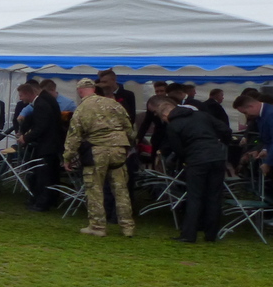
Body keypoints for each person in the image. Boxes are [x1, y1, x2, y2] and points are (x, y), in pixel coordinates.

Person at [149, 95, 230, 243]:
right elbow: (225, 129)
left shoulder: (173, 126)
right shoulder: (202, 115)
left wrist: (187, 157)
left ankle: (189, 234)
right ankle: (211, 234)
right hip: (217, 157)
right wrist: (219, 143)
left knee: (194, 197)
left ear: (165, 115)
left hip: (196, 160)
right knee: (214, 196)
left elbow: (178, 149)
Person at [64, 77, 136, 237]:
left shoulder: (82, 108)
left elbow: (74, 136)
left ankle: (97, 227)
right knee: (121, 189)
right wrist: (127, 146)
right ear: (94, 89)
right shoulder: (113, 104)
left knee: (95, 189)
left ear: (80, 91)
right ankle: (127, 226)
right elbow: (129, 127)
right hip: (118, 149)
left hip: (97, 150)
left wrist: (68, 157)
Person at [16, 82, 64, 211]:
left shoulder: (40, 104)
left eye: (21, 95)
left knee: (44, 175)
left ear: (28, 93)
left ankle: (42, 203)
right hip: (53, 143)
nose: (20, 98)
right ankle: (50, 199)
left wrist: (26, 137)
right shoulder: (44, 101)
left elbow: (41, 127)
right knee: (50, 174)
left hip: (48, 144)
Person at [232, 93, 273, 177]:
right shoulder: (261, 116)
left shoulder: (270, 114)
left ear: (251, 106)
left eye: (245, 112)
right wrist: (264, 150)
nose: (246, 116)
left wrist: (268, 163)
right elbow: (268, 139)